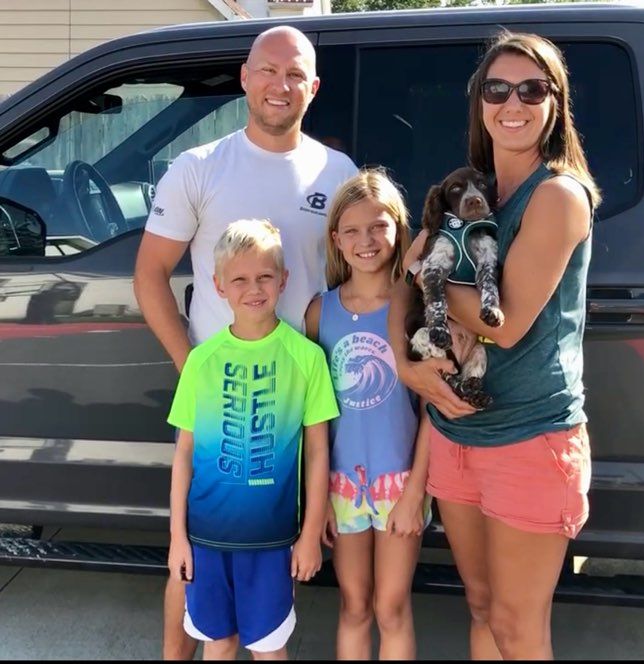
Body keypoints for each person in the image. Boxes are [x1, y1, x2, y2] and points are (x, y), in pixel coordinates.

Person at [133, 25, 357, 660]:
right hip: (223, 397)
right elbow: (149, 275)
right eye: (266, 70)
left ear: (313, 88)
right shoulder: (199, 166)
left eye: (294, 75)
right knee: (197, 555)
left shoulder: (336, 172)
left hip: (302, 393)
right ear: (245, 78)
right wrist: (193, 368)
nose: (279, 85)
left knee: (277, 555)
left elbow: (358, 271)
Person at [387, 31, 601, 660]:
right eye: (497, 88)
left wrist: (424, 268)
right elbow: (403, 282)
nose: (514, 102)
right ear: (479, 102)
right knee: (480, 609)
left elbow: (501, 322)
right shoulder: (469, 191)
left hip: (530, 442)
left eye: (532, 89)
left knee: (516, 628)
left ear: (555, 103)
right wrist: (406, 364)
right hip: (457, 438)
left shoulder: (557, 196)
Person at [167, 219, 337, 660]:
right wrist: (177, 537)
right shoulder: (201, 362)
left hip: (273, 540)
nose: (253, 288)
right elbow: (184, 453)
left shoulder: (307, 358)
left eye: (264, 276)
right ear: (219, 286)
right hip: (206, 538)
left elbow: (318, 453)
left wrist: (310, 534)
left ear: (283, 280)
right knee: (218, 643)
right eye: (239, 279)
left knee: (268, 646)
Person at [304, 169, 432, 660]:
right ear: (335, 240)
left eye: (378, 226)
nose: (366, 240)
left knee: (391, 607)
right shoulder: (321, 312)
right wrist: (316, 504)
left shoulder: (415, 308)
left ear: (398, 230)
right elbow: (313, 419)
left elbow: (430, 413)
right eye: (352, 230)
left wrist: (415, 491)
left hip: (400, 484)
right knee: (354, 606)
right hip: (341, 488)